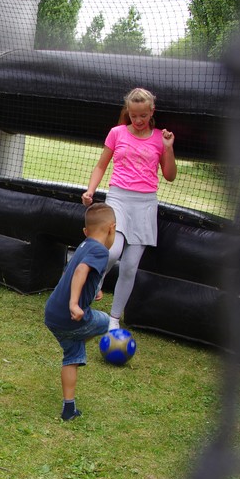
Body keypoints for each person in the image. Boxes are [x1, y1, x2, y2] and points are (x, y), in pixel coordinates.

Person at [81, 87, 177, 331]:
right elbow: (101, 165)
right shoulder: (117, 133)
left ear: (152, 111)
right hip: (118, 197)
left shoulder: (160, 138)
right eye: (133, 115)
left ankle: (114, 319)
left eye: (143, 115)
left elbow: (170, 176)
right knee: (113, 252)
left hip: (145, 203)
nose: (138, 120)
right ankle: (94, 283)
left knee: (130, 265)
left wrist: (168, 148)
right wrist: (90, 190)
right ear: (128, 112)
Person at [43, 203, 118, 421]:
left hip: (52, 314)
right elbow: (81, 271)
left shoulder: (84, 245)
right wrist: (74, 304)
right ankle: (82, 336)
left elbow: (74, 272)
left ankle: (69, 409)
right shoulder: (101, 251)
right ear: (112, 228)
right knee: (106, 322)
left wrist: (94, 289)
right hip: (70, 317)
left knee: (73, 356)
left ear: (86, 231)